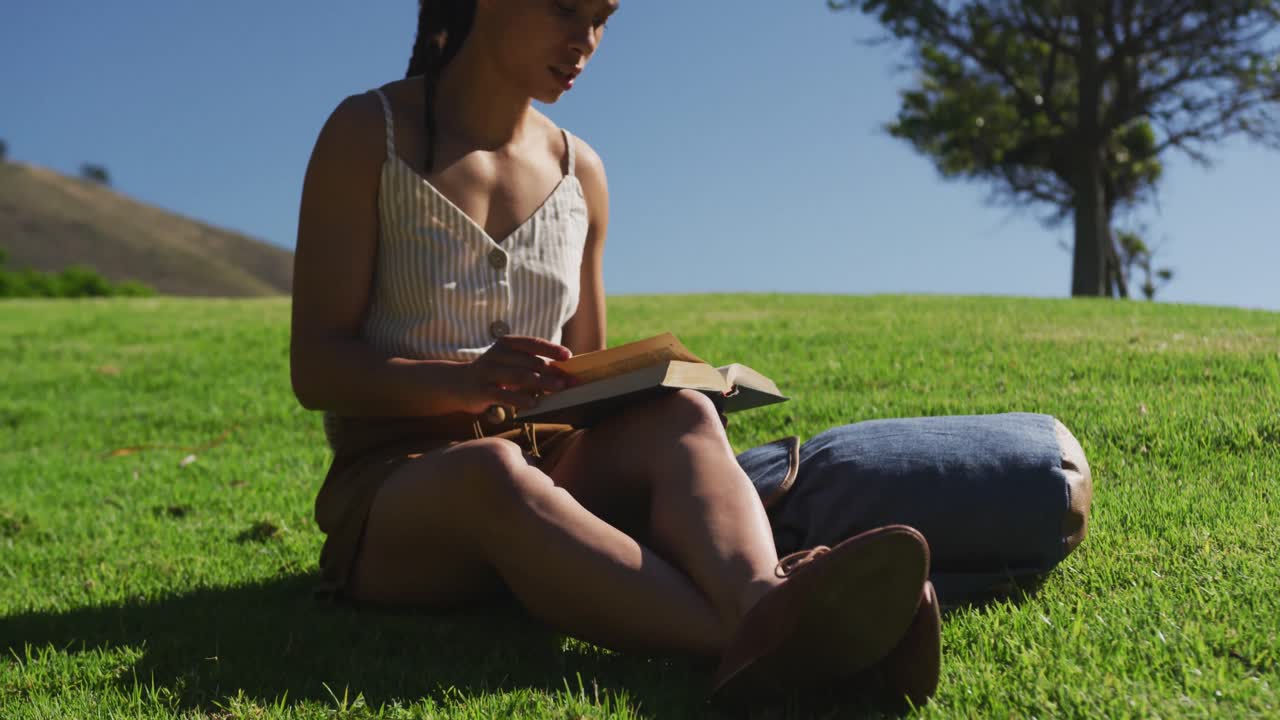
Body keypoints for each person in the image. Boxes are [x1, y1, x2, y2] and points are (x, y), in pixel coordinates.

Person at [289, 0, 940, 704]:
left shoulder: (581, 173)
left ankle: (761, 601)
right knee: (493, 469)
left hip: (550, 472)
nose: (586, 42)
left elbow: (580, 383)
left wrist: (653, 388)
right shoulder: (369, 134)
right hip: (398, 495)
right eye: (566, 10)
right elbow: (318, 368)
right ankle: (775, 639)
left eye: (603, 18)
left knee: (683, 414)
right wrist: (469, 379)